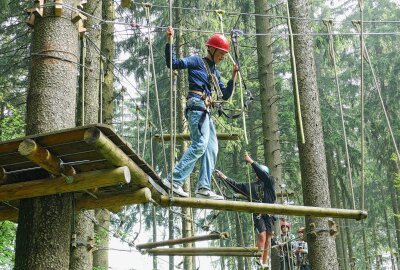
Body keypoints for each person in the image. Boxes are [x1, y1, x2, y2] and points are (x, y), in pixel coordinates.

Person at [164, 26, 239, 200]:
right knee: (200, 144)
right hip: (197, 106)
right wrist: (170, 41)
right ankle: (173, 180)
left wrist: (234, 76)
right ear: (211, 49)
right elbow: (173, 63)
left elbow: (225, 95)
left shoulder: (215, 72)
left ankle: (203, 187)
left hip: (206, 111)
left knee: (212, 147)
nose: (221, 58)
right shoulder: (197, 61)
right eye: (220, 54)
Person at [214, 153, 276, 269]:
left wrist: (251, 161)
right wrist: (223, 177)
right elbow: (236, 185)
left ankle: (265, 262)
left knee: (268, 238)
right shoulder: (251, 186)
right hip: (258, 214)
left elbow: (263, 174)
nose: (258, 175)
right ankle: (259, 260)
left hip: (269, 214)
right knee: (262, 236)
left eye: (260, 173)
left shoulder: (270, 183)